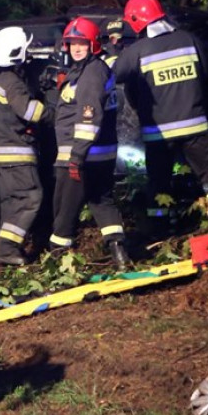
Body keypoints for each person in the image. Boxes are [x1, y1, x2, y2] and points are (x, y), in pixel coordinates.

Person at [115, 0, 208, 235]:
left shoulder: (137, 51)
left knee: (159, 184)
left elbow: (115, 75)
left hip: (158, 134)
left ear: (135, 21)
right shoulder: (190, 40)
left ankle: (160, 233)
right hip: (196, 127)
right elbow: (207, 75)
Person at [50, 17, 131, 270]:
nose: (76, 48)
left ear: (93, 44)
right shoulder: (85, 70)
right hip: (98, 155)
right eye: (72, 43)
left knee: (64, 212)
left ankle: (57, 266)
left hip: (81, 157)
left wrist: (77, 156)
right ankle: (120, 255)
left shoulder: (92, 72)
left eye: (81, 43)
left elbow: (88, 115)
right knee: (101, 202)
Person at [0, 26, 48, 266]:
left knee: (12, 203)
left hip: (2, 153)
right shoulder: (13, 83)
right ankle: (8, 249)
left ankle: (6, 251)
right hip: (17, 151)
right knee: (32, 197)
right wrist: (52, 110)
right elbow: (29, 111)